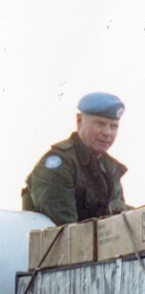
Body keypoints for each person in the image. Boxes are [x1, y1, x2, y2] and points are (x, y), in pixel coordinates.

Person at [22, 92, 129, 225]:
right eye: (100, 124)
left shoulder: (110, 169)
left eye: (113, 126)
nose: (107, 133)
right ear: (79, 120)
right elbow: (66, 229)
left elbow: (119, 222)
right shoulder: (60, 164)